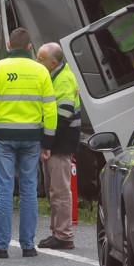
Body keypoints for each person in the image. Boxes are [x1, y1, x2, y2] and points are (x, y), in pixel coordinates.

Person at [0, 28, 56, 258]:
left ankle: (1, 246)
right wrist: (48, 141)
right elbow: (50, 110)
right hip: (31, 138)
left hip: (3, 137)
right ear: (30, 47)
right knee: (29, 190)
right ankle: (28, 246)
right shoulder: (41, 72)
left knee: (4, 190)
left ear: (9, 46)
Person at [36, 42, 81, 250]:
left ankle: (63, 235)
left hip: (60, 143)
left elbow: (62, 116)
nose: (37, 62)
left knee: (60, 191)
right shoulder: (55, 76)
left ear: (53, 62)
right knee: (53, 190)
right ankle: (57, 233)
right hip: (55, 142)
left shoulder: (64, 80)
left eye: (40, 59)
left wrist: (46, 138)